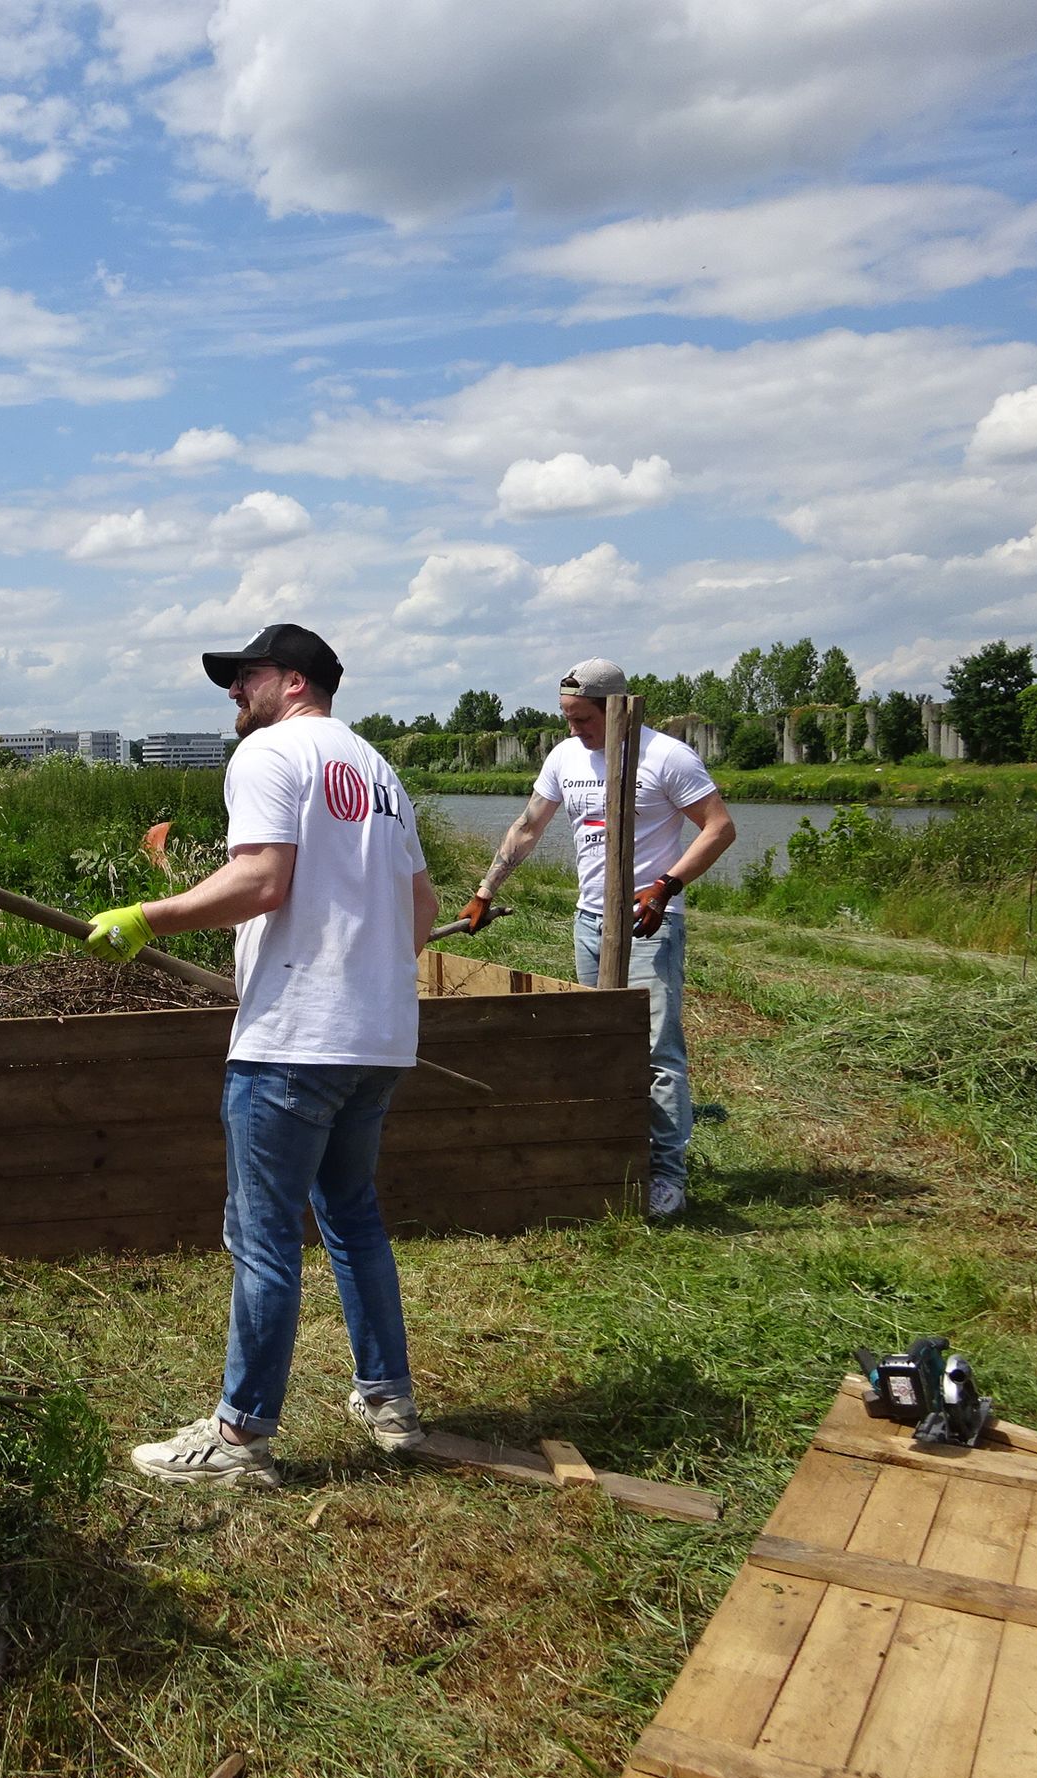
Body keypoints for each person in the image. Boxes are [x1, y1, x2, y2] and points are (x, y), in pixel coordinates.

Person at [81, 623, 439, 1490]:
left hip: (293, 1045)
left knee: (264, 1237)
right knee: (353, 1218)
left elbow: (262, 881)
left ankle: (240, 1441)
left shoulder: (271, 754)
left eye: (244, 676)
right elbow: (420, 911)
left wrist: (146, 916)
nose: (233, 693)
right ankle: (388, 1401)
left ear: (292, 680)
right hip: (378, 1040)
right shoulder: (380, 772)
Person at [454, 657, 736, 1221]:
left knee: (657, 1050)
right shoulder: (565, 757)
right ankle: (614, 1158)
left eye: (583, 718)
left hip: (647, 922)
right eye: (567, 718)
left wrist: (667, 885)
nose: (574, 730)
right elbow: (528, 827)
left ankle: (667, 1176)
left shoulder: (665, 757)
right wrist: (486, 890)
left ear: (615, 709)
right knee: (603, 1039)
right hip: (589, 922)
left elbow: (720, 827)